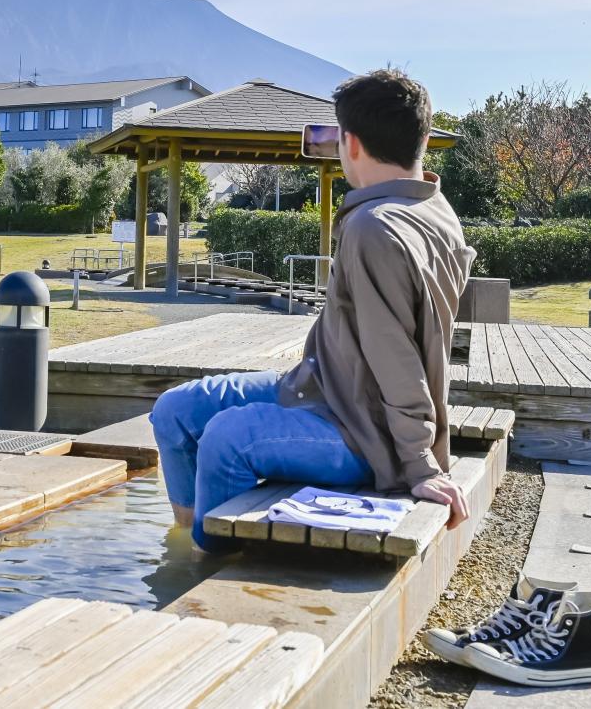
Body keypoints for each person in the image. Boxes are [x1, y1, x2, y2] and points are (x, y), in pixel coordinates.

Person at [151, 69, 476, 550]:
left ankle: (212, 567)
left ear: (350, 144)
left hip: (364, 432)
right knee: (175, 410)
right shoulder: (429, 204)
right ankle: (189, 540)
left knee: (225, 438)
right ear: (423, 140)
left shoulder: (375, 226)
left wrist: (420, 464)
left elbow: (397, 358)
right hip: (322, 388)